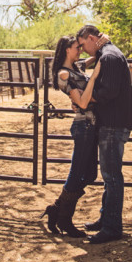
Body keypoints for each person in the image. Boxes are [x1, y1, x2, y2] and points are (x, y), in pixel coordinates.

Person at [76, 24, 132, 244]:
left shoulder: (109, 57)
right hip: (112, 122)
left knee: (112, 176)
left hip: (113, 123)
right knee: (109, 175)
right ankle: (106, 218)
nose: (83, 50)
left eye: (83, 45)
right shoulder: (107, 54)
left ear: (92, 38)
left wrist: (84, 99)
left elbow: (109, 92)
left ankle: (112, 227)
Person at [41, 36, 102, 237]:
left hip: (92, 125)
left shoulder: (78, 67)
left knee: (91, 174)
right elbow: (82, 103)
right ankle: (65, 219)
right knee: (77, 173)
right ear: (67, 49)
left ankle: (57, 209)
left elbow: (97, 57)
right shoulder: (63, 74)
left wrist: (102, 44)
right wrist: (94, 79)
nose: (81, 50)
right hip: (83, 125)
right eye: (77, 47)